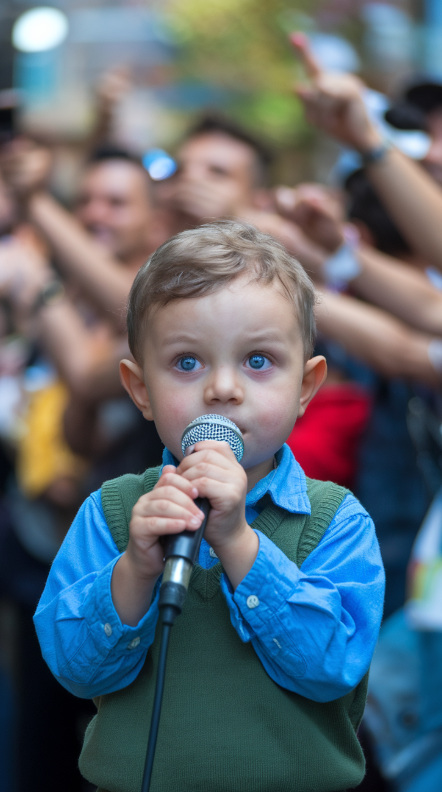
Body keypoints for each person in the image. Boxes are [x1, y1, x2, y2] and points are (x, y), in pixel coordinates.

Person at [35, 221, 384, 792]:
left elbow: (332, 670)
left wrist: (240, 543)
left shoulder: (335, 520)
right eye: (187, 364)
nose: (223, 389)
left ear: (306, 386)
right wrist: (136, 570)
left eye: (259, 361)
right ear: (140, 388)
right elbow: (75, 670)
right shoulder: (115, 512)